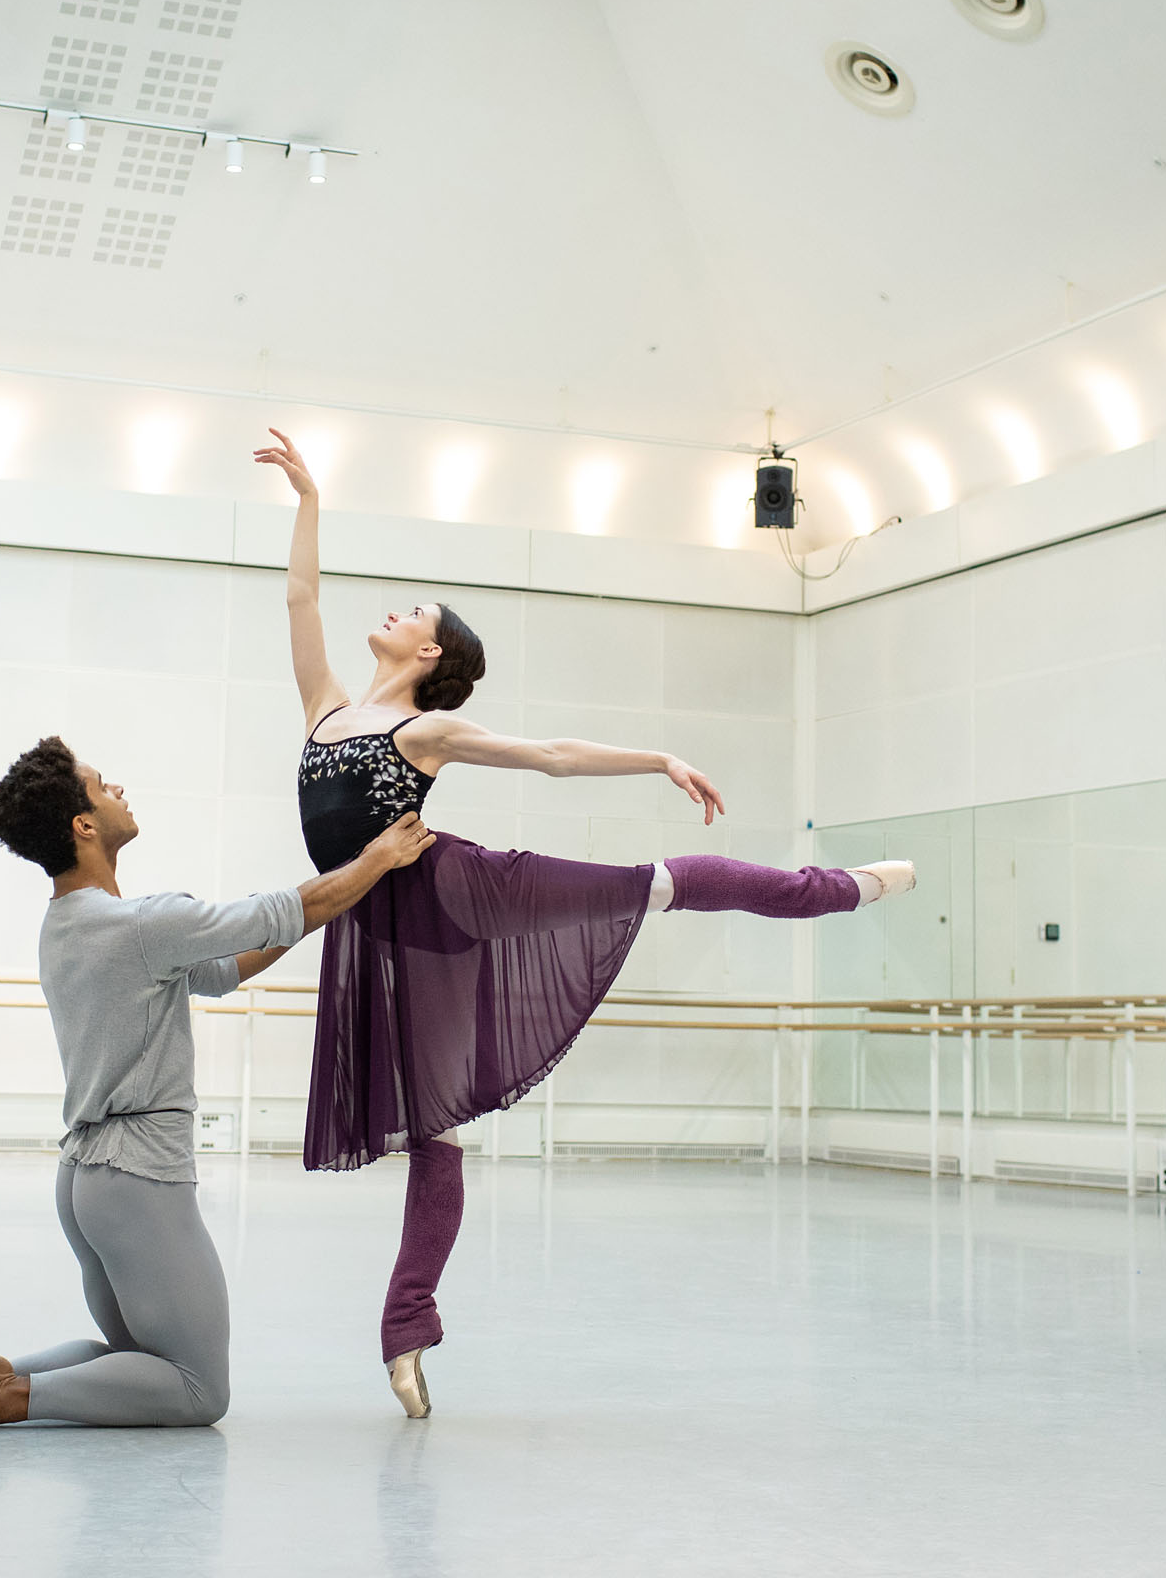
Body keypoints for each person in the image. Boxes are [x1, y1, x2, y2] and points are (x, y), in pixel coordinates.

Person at [253, 428, 916, 1419]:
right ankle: (407, 1333)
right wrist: (309, 499)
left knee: (653, 882)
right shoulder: (325, 708)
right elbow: (301, 599)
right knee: (432, 1133)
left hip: (452, 887)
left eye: (410, 613)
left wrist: (656, 757)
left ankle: (840, 888)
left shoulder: (423, 730)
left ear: (427, 650)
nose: (386, 614)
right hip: (371, 925)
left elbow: (553, 754)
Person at [0, 736, 434, 1429]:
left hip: (84, 1180)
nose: (118, 790)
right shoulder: (139, 925)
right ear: (83, 825)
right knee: (196, 1389)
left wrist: (344, 893)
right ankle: (6, 1397)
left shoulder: (67, 926)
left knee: (130, 1355)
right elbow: (273, 911)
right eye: (103, 785)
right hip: (138, 1179)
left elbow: (224, 967)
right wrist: (375, 861)